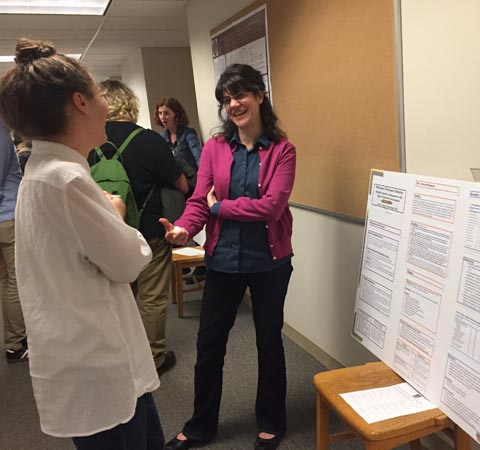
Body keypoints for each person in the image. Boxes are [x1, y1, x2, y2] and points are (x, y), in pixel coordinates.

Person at [0, 38, 165, 449]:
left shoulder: (42, 171)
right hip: (100, 365)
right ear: (81, 102)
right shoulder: (67, 180)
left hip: (81, 356)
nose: (106, 105)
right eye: (98, 94)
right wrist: (115, 212)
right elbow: (129, 262)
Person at [161, 64, 296, 450]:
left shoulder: (283, 151)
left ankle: (271, 421)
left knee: (269, 344)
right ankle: (200, 426)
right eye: (227, 99)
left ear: (259, 95)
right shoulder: (215, 148)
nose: (233, 104)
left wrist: (220, 208)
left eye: (240, 95)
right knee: (208, 347)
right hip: (222, 261)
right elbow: (198, 200)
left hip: (269, 263)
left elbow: (271, 208)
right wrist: (185, 228)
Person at [88, 80, 188, 376]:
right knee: (152, 296)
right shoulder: (149, 140)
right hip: (150, 230)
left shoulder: (88, 142)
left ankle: (122, 354)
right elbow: (182, 185)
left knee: (119, 296)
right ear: (130, 104)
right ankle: (152, 357)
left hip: (108, 232)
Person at [0, 118, 27, 363]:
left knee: (7, 280)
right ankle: (17, 342)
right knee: (16, 280)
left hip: (4, 219)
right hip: (7, 218)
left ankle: (14, 341)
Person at [154, 97, 202, 170]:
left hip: (191, 176)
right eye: (160, 113)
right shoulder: (162, 137)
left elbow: (198, 157)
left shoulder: (188, 134)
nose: (162, 117)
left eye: (166, 113)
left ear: (176, 114)